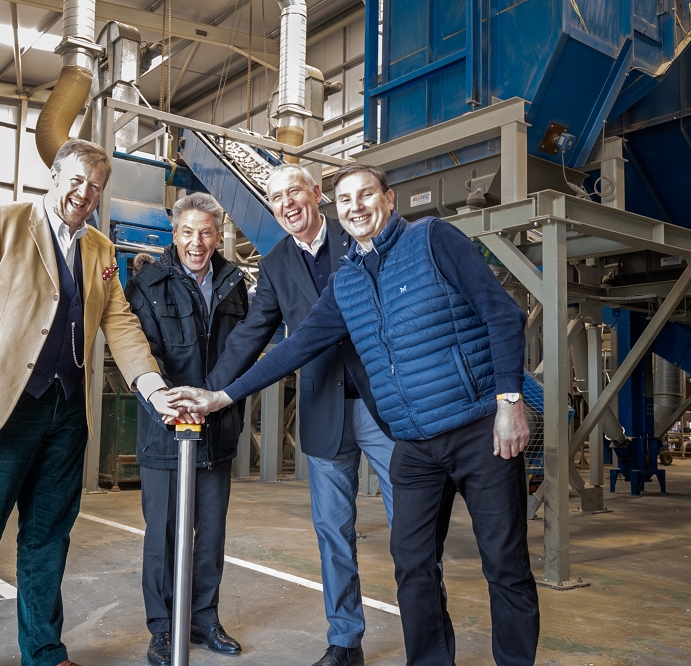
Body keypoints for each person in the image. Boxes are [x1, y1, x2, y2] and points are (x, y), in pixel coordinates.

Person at [167, 163, 541, 666]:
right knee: (408, 561)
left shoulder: (433, 239)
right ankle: (408, 655)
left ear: (388, 199)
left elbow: (503, 314)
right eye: (348, 200)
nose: (356, 207)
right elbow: (293, 347)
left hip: (469, 426)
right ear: (337, 209)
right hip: (409, 437)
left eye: (366, 196)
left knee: (504, 562)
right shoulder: (346, 281)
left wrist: (509, 401)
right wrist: (220, 396)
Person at [0, 139, 179, 666]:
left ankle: (44, 649)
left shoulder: (101, 250)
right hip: (2, 406)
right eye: (77, 180)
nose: (85, 193)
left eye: (96, 186)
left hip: (65, 412)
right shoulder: (1, 221)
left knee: (48, 537)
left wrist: (150, 386)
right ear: (54, 177)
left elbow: (120, 321)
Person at [205, 164, 395, 666]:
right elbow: (250, 335)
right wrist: (210, 390)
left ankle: (428, 636)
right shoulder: (275, 264)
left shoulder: (358, 233)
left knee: (413, 526)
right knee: (333, 532)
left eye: (295, 192)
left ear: (317, 194)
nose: (287, 203)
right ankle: (345, 641)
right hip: (323, 408)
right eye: (276, 198)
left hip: (384, 407)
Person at [124, 192, 249, 666]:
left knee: (211, 533)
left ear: (219, 236)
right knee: (164, 534)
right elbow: (143, 352)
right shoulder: (147, 284)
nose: (197, 242)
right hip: (165, 430)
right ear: (173, 234)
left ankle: (203, 619)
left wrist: (215, 403)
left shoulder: (234, 284)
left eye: (206, 233)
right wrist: (175, 404)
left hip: (217, 429)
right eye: (187, 232)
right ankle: (162, 629)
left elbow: (241, 352)